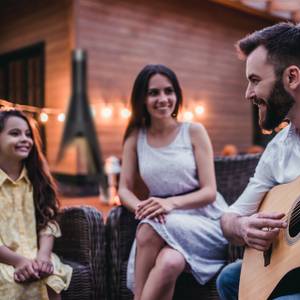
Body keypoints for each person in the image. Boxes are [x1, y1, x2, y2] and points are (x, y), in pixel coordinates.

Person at [118, 64, 228, 300]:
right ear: (142, 99)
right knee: (169, 262)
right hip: (162, 216)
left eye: (169, 91)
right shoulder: (135, 137)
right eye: (153, 92)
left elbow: (210, 191)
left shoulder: (194, 131)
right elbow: (124, 189)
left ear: (177, 95)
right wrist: (142, 208)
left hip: (204, 218)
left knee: (148, 229)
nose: (163, 99)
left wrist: (171, 204)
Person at [216, 22, 300, 299]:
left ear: (292, 77)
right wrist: (243, 228)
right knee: (229, 279)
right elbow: (229, 217)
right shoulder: (278, 147)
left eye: (254, 80)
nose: (247, 93)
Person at [0, 109, 72, 300]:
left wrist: (44, 256)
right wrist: (18, 261)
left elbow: (47, 221)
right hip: (4, 260)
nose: (25, 139)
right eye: (15, 133)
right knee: (12, 282)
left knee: (50, 277)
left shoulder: (37, 180)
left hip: (35, 255)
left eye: (28, 134)